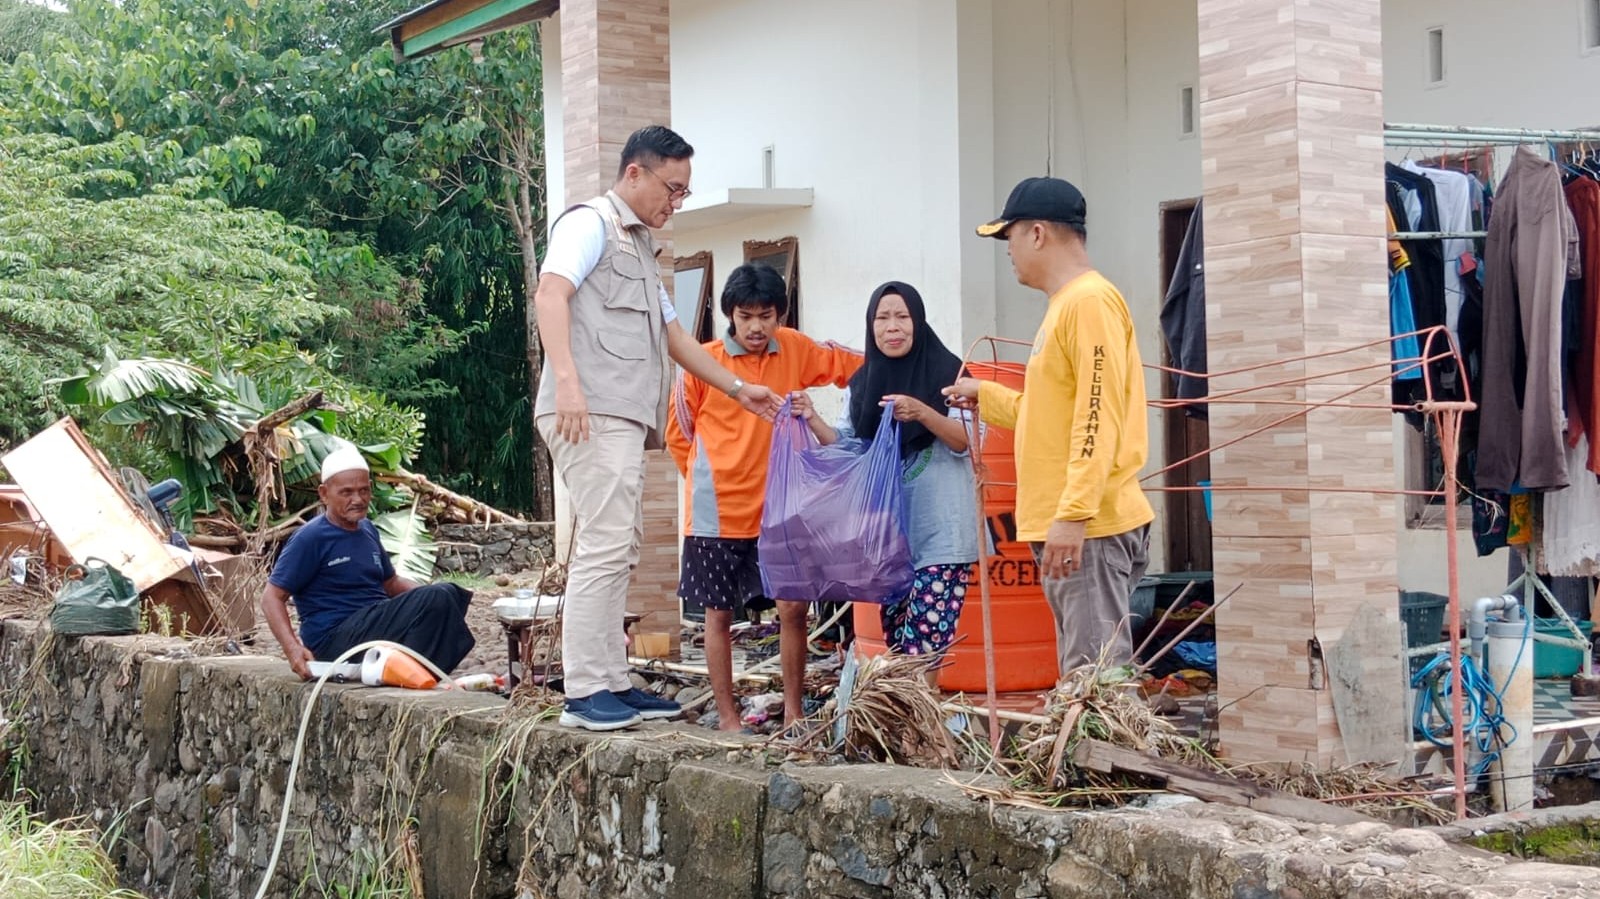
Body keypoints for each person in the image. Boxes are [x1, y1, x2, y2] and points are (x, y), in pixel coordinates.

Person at [533, 125, 783, 732]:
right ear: (634, 173)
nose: (676, 202)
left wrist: (738, 389)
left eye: (684, 192)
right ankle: (584, 691)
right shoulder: (590, 224)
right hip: (587, 409)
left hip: (620, 415)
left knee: (621, 546)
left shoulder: (641, 248)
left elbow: (675, 338)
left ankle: (614, 681)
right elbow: (550, 294)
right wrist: (568, 383)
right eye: (672, 188)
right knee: (602, 542)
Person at [944, 176, 1153, 676]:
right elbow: (1051, 415)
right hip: (1078, 524)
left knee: (1095, 682)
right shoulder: (1067, 306)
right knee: (1084, 674)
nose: (1008, 250)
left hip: (1090, 528)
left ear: (1037, 233)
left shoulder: (1088, 303)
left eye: (1009, 236)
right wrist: (987, 395)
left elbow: (1097, 414)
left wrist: (1074, 514)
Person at [666, 263, 862, 732]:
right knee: (717, 615)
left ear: (780, 315)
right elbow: (679, 434)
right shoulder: (703, 363)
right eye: (745, 316)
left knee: (793, 609)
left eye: (766, 316)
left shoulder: (796, 348)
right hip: (717, 513)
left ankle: (794, 713)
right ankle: (728, 719)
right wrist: (708, 479)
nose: (756, 327)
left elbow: (854, 365)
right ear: (729, 315)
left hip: (784, 508)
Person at [795, 282, 978, 689]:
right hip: (890, 542)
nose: (892, 327)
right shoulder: (863, 384)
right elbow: (848, 447)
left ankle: (921, 720)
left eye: (901, 316)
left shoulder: (950, 373)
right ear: (870, 325)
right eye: (882, 318)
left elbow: (967, 441)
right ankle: (914, 723)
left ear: (918, 321)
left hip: (943, 538)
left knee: (923, 649)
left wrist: (923, 413)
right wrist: (811, 417)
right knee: (898, 649)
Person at [261, 445, 475, 680]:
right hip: (335, 640)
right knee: (438, 597)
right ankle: (415, 673)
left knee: (449, 593)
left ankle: (416, 674)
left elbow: (390, 583)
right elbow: (271, 597)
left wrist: (429, 596)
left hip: (373, 625)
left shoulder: (367, 530)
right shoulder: (311, 537)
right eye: (347, 492)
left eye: (364, 491)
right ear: (324, 494)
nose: (358, 499)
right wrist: (293, 650)